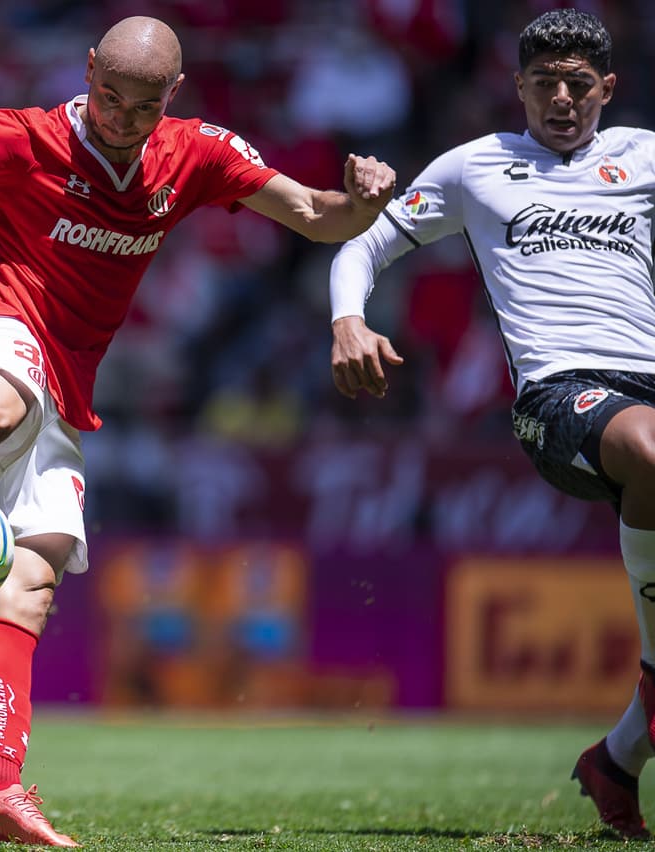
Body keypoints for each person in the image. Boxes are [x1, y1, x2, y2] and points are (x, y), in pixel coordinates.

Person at [0, 15, 395, 846]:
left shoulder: (197, 153)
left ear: (173, 93)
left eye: (141, 105)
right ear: (87, 70)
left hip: (69, 389)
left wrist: (365, 202)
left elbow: (315, 214)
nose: (122, 119)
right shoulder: (24, 137)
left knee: (32, 581)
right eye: (108, 97)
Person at [327, 8, 655, 839]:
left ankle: (616, 759)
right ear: (516, 87)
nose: (560, 99)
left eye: (578, 84)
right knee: (649, 448)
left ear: (607, 88)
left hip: (648, 389)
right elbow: (362, 244)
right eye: (543, 83)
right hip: (558, 398)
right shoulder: (477, 168)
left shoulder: (645, 157)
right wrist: (347, 321)